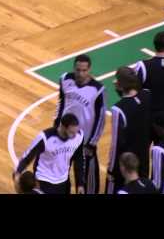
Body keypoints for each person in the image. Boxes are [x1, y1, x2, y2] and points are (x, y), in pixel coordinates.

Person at [54, 54, 106, 194]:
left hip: (85, 140)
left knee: (87, 175)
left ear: (89, 70)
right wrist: (55, 126)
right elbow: (61, 103)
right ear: (74, 68)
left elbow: (101, 119)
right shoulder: (65, 79)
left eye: (84, 70)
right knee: (61, 171)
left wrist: (92, 143)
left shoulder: (98, 89)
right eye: (78, 70)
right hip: (64, 135)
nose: (81, 73)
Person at [106, 67, 152, 194]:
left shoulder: (118, 109)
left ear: (120, 85)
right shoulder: (146, 95)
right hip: (143, 157)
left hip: (125, 162)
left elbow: (116, 143)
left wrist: (111, 169)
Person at [14, 113, 85, 194]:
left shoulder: (78, 136)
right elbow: (27, 157)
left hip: (63, 181)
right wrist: (18, 172)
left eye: (76, 131)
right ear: (63, 127)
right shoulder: (45, 138)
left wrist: (80, 183)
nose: (74, 136)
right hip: (43, 180)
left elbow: (79, 159)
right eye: (71, 132)